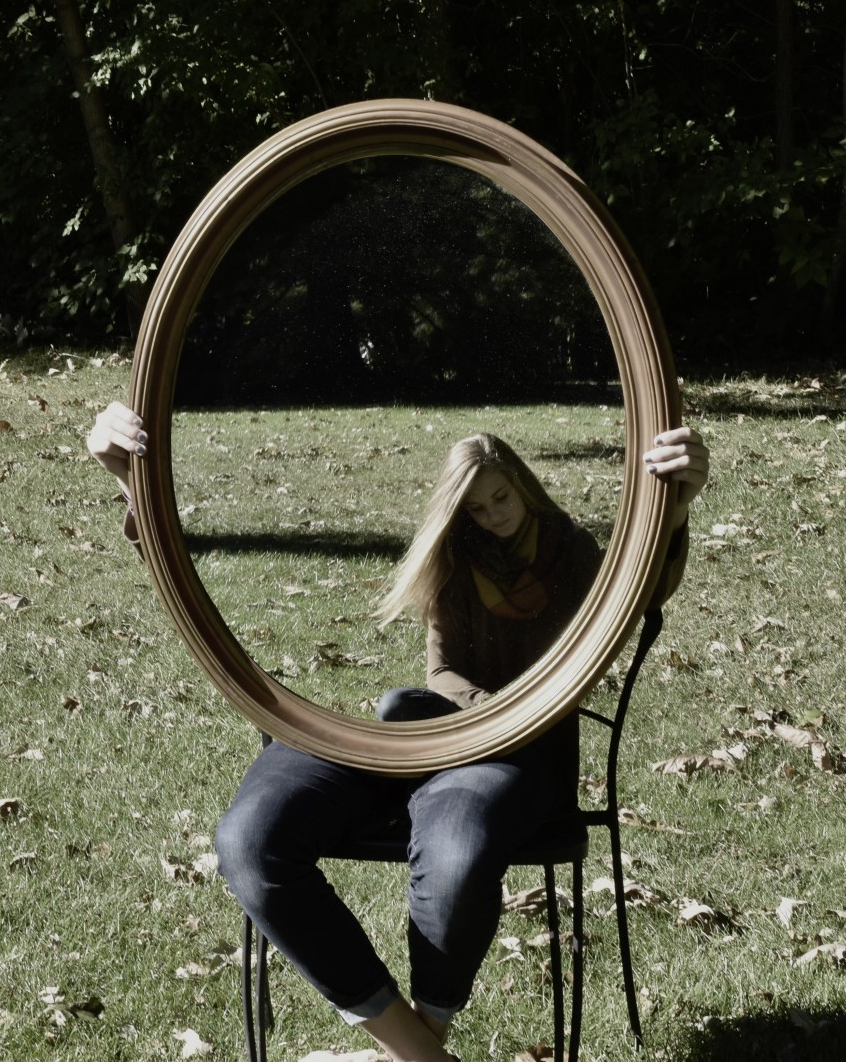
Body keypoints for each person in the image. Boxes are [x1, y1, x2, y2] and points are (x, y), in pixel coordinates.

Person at [89, 402, 707, 1062]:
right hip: (424, 737)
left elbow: (641, 588)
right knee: (251, 840)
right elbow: (442, 672)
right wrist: (133, 481)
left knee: (454, 850)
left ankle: (409, 1052)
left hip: (521, 756)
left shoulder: (572, 550)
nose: (493, 515)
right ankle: (421, 1055)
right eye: (476, 507)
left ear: (523, 485)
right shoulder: (457, 559)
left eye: (501, 497)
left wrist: (672, 507)